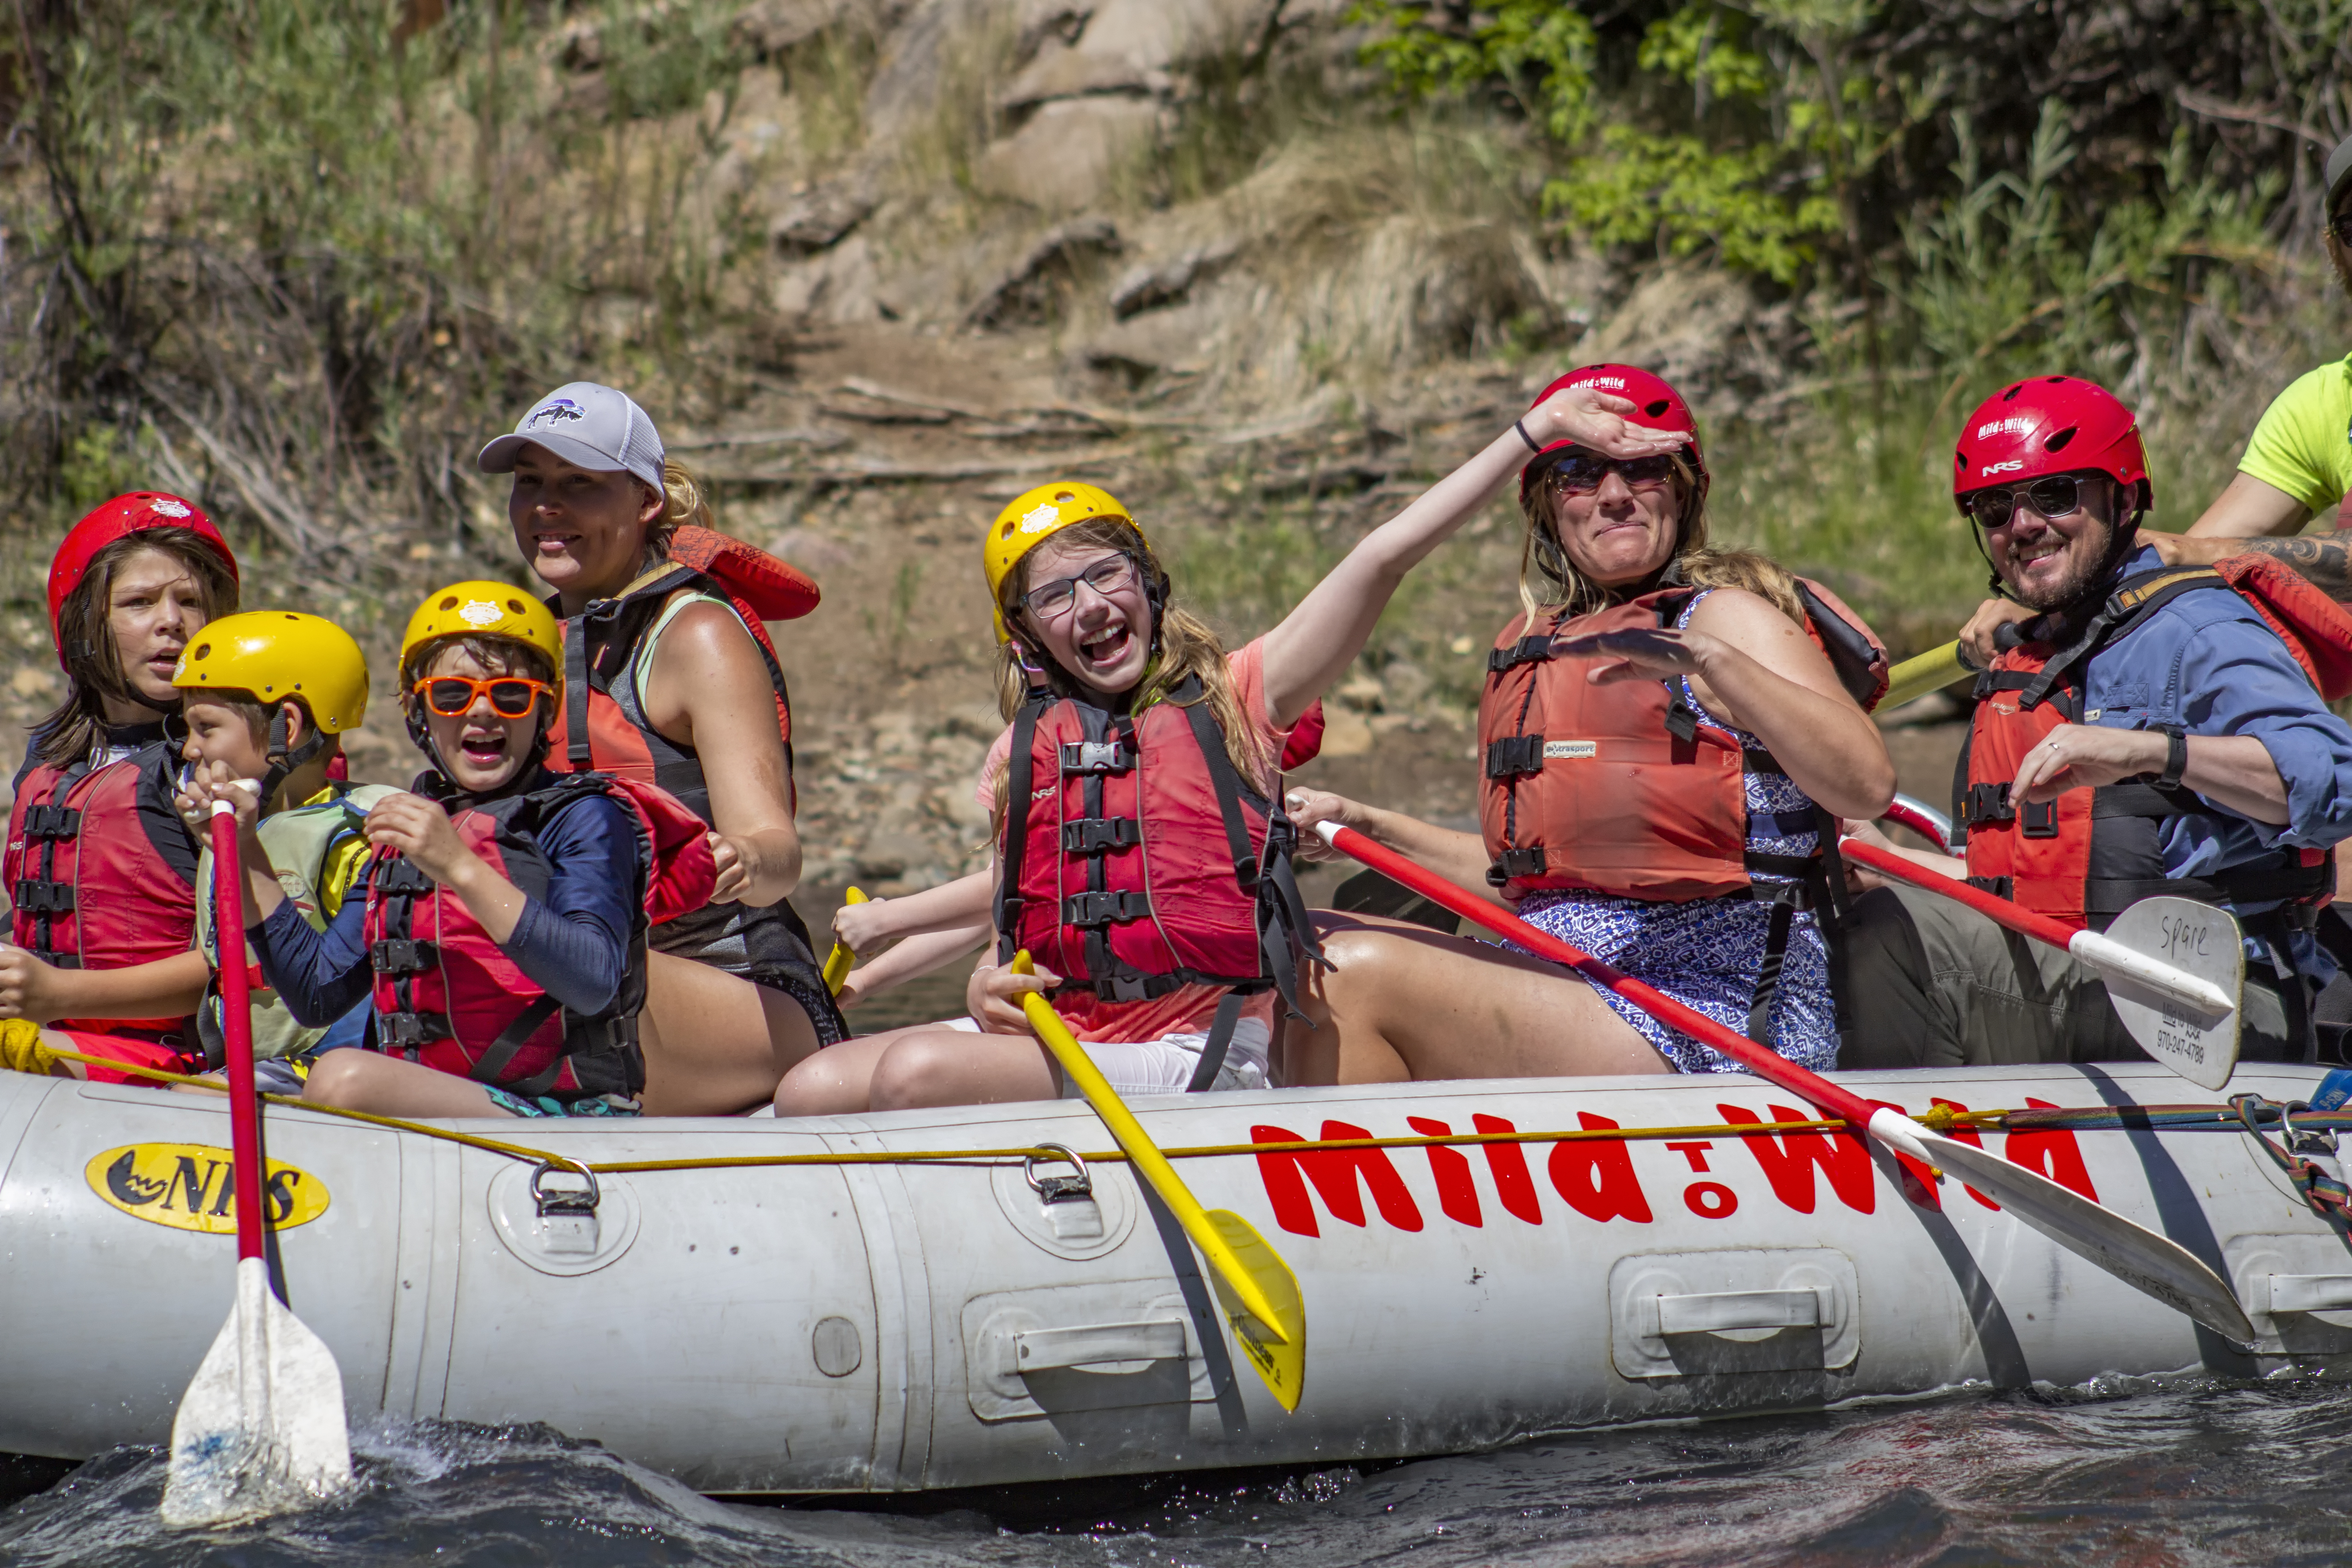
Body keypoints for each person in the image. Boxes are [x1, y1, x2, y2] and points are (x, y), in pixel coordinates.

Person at [775, 380, 1694, 1112]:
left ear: (1151, 587)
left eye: (1107, 575)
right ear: (1024, 636)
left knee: (913, 1077)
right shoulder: (1026, 751)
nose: (1091, 605)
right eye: (1058, 595)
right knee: (812, 1088)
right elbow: (1013, 916)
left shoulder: (1246, 695)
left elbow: (1382, 557)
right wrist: (987, 981)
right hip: (1068, 1035)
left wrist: (1530, 436)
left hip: (1201, 1051)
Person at [1282, 364, 1897, 1085]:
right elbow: (1528, 885)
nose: (1613, 496)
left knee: (1350, 972)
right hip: (1564, 982)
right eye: (1578, 473)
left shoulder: (1724, 619)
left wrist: (1711, 661)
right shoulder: (1535, 644)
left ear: (1682, 491)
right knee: (1311, 943)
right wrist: (1358, 820)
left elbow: (1866, 786)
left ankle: (1367, 1190)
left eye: (1642, 470)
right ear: (1548, 507)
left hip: (1719, 1014)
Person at [1840, 375, 2352, 1067]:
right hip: (2087, 974)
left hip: (2210, 1005)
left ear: (2126, 498)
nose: (2021, 526)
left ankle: (1902, 1161)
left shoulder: (2197, 628)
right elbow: (2043, 887)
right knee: (1855, 909)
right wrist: (1891, 863)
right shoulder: (2038, 658)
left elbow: (2336, 786)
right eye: (1994, 508)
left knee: (1883, 937)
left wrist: (2150, 752)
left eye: (2054, 496)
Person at [182, 584, 714, 1119]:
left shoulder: (584, 817)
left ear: (543, 709)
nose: (482, 713)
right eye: (453, 695)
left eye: (510, 695)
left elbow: (594, 981)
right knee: (214, 1095)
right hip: (431, 1101)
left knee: (343, 1078)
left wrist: (459, 866)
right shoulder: (410, 829)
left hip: (559, 1113)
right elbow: (317, 992)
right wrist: (245, 849)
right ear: (419, 712)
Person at [478, 382, 841, 1115]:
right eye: (531, 483)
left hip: (743, 990)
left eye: (579, 482)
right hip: (587, 972)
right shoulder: (525, 654)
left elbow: (778, 851)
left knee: (569, 975)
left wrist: (740, 860)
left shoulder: (696, 635)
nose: (547, 506)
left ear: (645, 501)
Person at [1959, 132, 2352, 665]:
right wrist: (2048, 612)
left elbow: (2191, 554)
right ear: (2335, 248)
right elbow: (2173, 572)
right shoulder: (2320, 404)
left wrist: (2188, 554)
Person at [0, 493, 240, 1084]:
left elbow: (237, 966)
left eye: (191, 602)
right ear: (85, 623)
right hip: (42, 1041)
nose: (171, 621)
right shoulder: (53, 759)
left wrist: (59, 994)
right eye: (138, 602)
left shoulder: (215, 766)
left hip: (158, 1066)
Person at [174, 611, 395, 1089]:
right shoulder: (223, 826)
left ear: (287, 729)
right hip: (241, 1064)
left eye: (206, 727)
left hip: (325, 1070)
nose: (190, 749)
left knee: (192, 1102)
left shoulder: (356, 837)